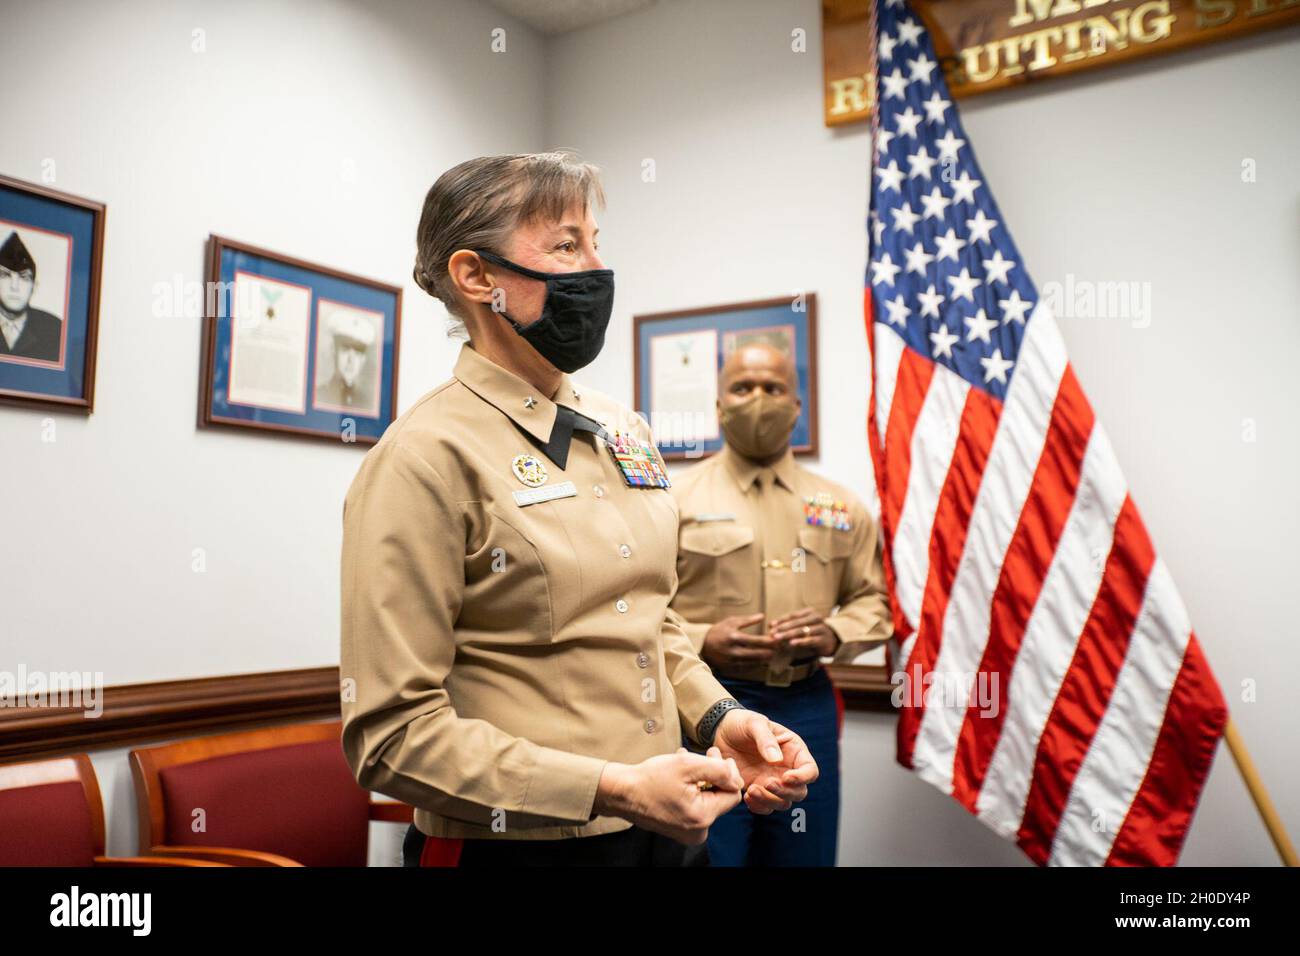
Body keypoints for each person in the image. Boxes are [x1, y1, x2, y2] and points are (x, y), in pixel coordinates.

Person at [338, 151, 818, 867]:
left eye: (596, 242)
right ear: (476, 277)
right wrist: (612, 788)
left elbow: (652, 624)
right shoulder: (423, 458)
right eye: (566, 246)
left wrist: (721, 718)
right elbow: (393, 736)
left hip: (666, 831)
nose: (595, 268)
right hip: (516, 848)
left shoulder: (623, 429)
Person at [668, 342, 893, 866]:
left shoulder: (840, 508)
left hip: (804, 704)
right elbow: (643, 607)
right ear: (719, 406)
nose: (759, 400)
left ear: (796, 406)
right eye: (743, 388)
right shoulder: (674, 502)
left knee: (803, 854)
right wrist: (704, 640)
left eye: (774, 388)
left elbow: (874, 599)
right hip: (705, 709)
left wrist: (835, 634)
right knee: (709, 856)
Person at [0, 231, 62, 362]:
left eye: (23, 277)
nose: (14, 286)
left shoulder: (55, 329)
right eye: (5, 275)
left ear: (34, 287)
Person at [316, 311, 376, 411]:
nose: (351, 360)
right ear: (333, 351)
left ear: (363, 359)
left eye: (357, 353)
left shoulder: (365, 403)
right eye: (345, 349)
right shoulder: (319, 395)